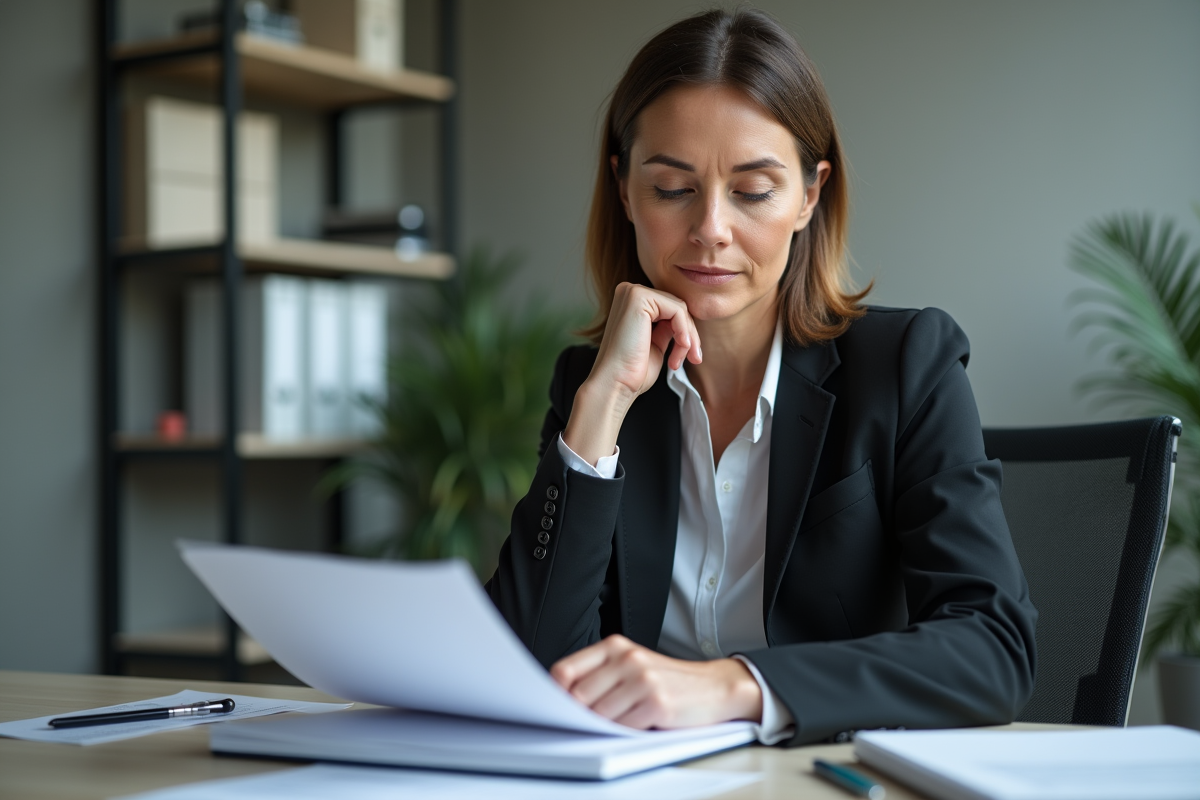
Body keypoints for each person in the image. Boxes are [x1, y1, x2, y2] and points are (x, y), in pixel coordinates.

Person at [485, 7, 1037, 746]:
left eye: (753, 191)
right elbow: (532, 662)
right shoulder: (593, 386)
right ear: (624, 190)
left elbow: (994, 650)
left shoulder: (907, 365)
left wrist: (736, 684)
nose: (711, 227)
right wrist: (602, 409)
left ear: (810, 194)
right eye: (672, 188)